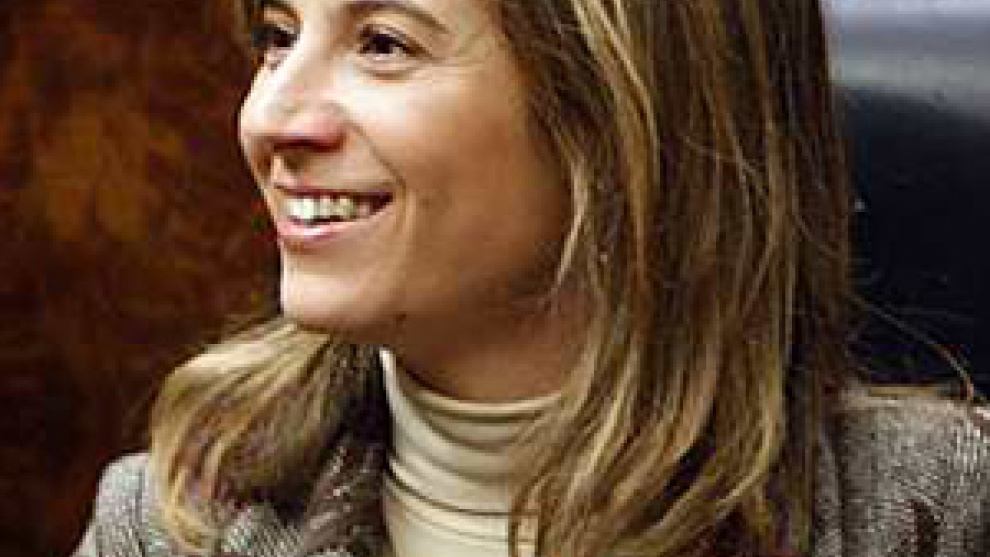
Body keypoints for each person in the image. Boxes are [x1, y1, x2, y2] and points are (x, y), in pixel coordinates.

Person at [74, 0, 990, 555]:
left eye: (384, 43)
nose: (268, 116)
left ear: (621, 115)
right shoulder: (168, 522)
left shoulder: (939, 512)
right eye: (278, 34)